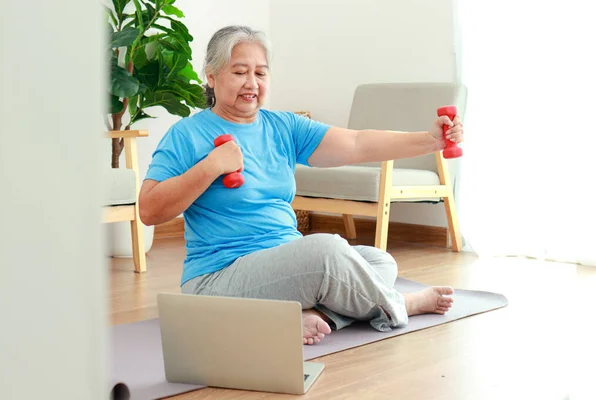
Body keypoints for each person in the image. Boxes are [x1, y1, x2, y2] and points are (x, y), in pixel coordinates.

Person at [139, 25, 463, 345]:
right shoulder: (186, 134)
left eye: (261, 73)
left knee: (378, 261)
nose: (252, 83)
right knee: (327, 253)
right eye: (239, 72)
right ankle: (401, 304)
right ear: (211, 76)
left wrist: (430, 140)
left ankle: (311, 317)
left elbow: (358, 143)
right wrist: (210, 166)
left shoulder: (283, 126)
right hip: (218, 278)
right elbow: (149, 209)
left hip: (285, 264)